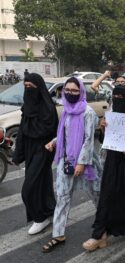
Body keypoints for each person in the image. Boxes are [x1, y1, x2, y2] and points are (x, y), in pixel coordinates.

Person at [41, 77, 103, 252]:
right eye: (67, 90)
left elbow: (88, 140)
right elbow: (65, 135)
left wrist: (82, 163)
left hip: (86, 163)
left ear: (81, 92)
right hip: (66, 160)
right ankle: (58, 234)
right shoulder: (67, 110)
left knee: (96, 195)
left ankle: (103, 227)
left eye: (74, 90)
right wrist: (54, 142)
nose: (69, 93)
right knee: (62, 196)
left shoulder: (88, 112)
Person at [82, 86, 125, 251]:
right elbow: (104, 140)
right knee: (107, 193)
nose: (118, 99)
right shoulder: (110, 112)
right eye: (115, 96)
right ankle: (100, 233)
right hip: (111, 159)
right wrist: (103, 127)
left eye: (121, 96)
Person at [12, 73, 58, 235]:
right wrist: (18, 155)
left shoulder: (48, 108)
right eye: (25, 86)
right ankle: (48, 210)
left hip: (44, 149)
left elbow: (51, 131)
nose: (28, 89)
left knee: (28, 188)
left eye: (31, 86)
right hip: (30, 150)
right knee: (42, 183)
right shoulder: (27, 108)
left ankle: (40, 218)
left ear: (39, 87)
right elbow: (23, 133)